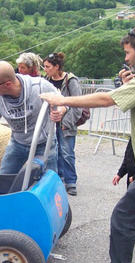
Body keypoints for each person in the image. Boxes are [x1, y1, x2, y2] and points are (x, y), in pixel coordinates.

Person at [40, 25, 135, 262]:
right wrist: (127, 85)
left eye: (128, 53)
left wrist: (62, 99)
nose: (126, 59)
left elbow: (105, 99)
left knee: (123, 219)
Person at [0, 61, 66, 174]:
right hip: (17, 143)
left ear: (7, 84)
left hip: (44, 142)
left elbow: (62, 102)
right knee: (4, 179)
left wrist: (61, 111)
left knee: (48, 180)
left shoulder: (39, 86)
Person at [43, 52, 83, 196]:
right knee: (54, 151)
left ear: (57, 67)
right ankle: (58, 178)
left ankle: (71, 181)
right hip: (51, 122)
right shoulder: (46, 80)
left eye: (47, 67)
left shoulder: (70, 81)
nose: (45, 69)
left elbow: (78, 105)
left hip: (66, 123)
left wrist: (66, 122)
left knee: (67, 153)